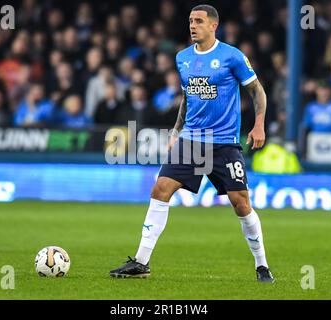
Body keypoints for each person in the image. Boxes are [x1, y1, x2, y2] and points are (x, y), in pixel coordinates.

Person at [110, 5, 274, 283]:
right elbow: (187, 98)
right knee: (161, 188)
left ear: (213, 26)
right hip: (191, 140)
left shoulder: (232, 56)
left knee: (240, 203)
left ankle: (262, 266)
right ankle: (141, 261)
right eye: (190, 21)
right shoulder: (183, 58)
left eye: (199, 21)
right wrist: (176, 131)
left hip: (223, 143)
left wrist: (259, 124)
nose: (192, 25)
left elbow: (256, 90)